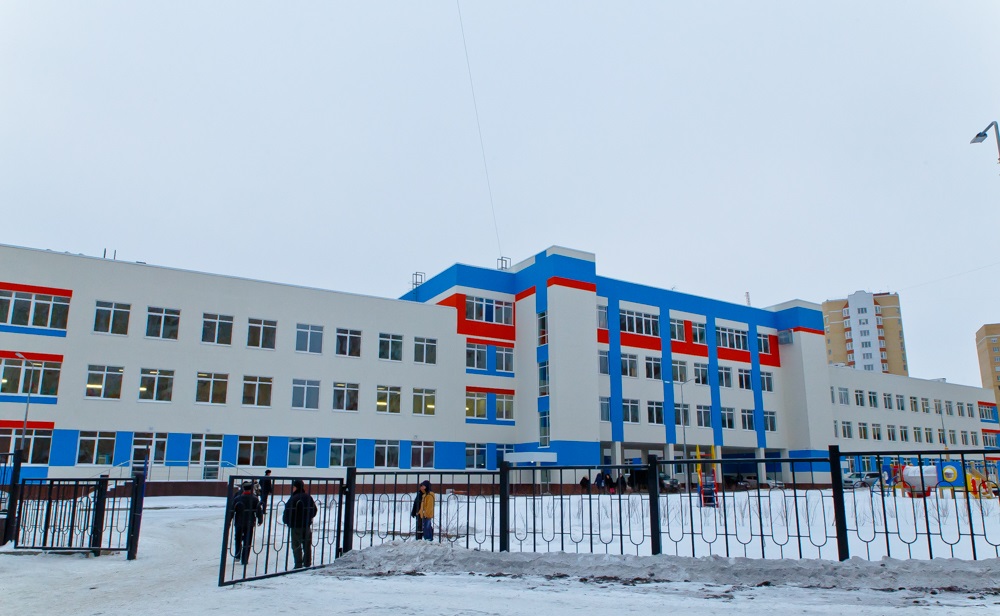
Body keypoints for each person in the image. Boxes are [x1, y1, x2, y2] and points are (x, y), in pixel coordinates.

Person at [282, 478, 318, 569]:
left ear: (296, 487)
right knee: (307, 545)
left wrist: (287, 521)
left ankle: (298, 564)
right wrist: (308, 518)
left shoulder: (293, 498)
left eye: (293, 487)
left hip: (296, 526)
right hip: (306, 525)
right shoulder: (308, 497)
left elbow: (287, 512)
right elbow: (314, 510)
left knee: (296, 545)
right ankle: (307, 563)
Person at [227, 481, 263, 565]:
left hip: (239, 521)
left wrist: (229, 521)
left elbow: (232, 511)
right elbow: (258, 510)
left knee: (238, 538)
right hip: (249, 522)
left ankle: (237, 555)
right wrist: (260, 520)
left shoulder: (237, 498)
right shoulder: (254, 499)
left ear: (243, 489)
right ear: (251, 489)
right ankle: (245, 559)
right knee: (247, 540)